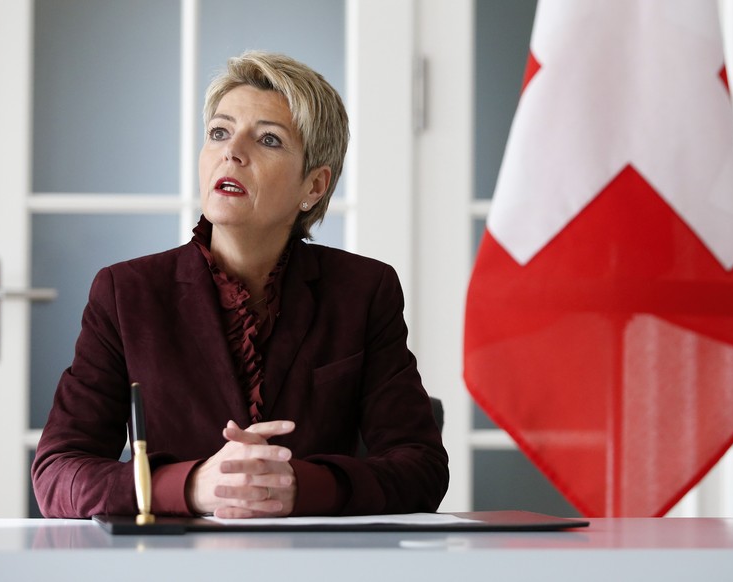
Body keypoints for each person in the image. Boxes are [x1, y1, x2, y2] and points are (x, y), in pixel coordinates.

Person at [31, 51, 449, 519]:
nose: (232, 151)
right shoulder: (124, 292)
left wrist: (301, 486)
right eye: (219, 132)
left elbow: (422, 467)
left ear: (313, 185)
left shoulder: (365, 290)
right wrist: (191, 486)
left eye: (268, 139)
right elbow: (57, 473)